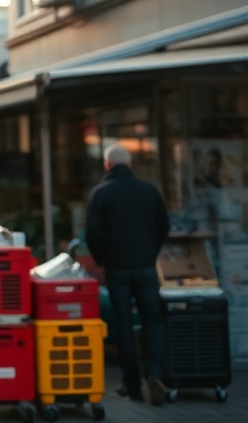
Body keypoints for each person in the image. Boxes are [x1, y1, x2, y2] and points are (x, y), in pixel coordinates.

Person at [86, 144, 169, 405]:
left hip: (117, 268)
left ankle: (132, 384)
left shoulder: (100, 193)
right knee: (152, 319)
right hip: (145, 266)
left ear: (107, 165)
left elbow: (93, 233)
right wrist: (150, 252)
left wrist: (103, 259)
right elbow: (164, 226)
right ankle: (154, 372)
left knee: (123, 322)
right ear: (130, 164)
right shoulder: (149, 191)